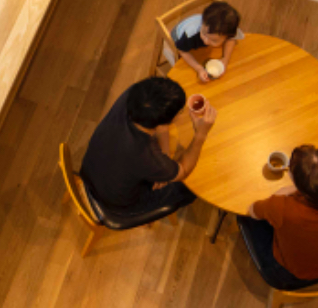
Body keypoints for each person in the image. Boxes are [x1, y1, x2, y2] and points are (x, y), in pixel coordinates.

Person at [80, 77, 217, 223]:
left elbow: (160, 127)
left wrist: (164, 162)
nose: (181, 113)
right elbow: (183, 171)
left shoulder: (135, 95)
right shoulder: (143, 152)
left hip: (91, 171)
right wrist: (201, 135)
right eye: (180, 112)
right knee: (192, 187)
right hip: (117, 204)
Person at [240, 145, 318, 290]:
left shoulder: (283, 208)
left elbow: (252, 210)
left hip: (288, 275)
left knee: (244, 216)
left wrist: (281, 194)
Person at [173, 1, 243, 82]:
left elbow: (231, 39)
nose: (206, 41)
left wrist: (225, 59)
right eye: (204, 33)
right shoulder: (189, 35)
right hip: (179, 34)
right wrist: (199, 68)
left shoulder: (225, 29)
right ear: (203, 22)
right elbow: (182, 51)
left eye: (214, 40)